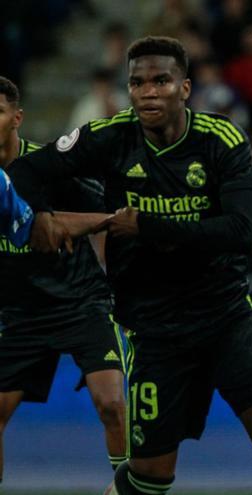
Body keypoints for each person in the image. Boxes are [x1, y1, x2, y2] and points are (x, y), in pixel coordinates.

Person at [8, 37, 252, 495]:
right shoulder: (108, 137)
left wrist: (147, 226)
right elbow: (23, 172)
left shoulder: (221, 141)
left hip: (225, 319)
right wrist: (40, 219)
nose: (148, 92)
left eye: (161, 81)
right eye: (137, 83)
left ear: (185, 88)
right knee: (151, 474)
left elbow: (240, 232)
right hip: (154, 330)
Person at [0, 75, 127, 483]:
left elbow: (107, 217)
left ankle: (134, 489)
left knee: (111, 405)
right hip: (20, 314)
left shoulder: (46, 168)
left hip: (80, 303)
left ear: (16, 118)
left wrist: (108, 272)